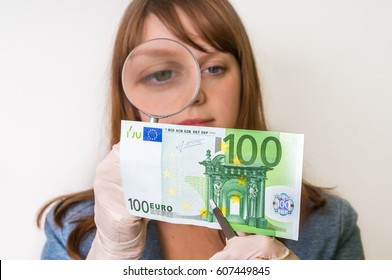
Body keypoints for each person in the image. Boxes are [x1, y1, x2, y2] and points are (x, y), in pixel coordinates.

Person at [36, 0, 365, 260]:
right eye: (162, 74)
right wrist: (107, 259)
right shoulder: (71, 230)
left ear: (244, 80)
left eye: (213, 68)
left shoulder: (329, 226)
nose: (194, 95)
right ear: (129, 96)